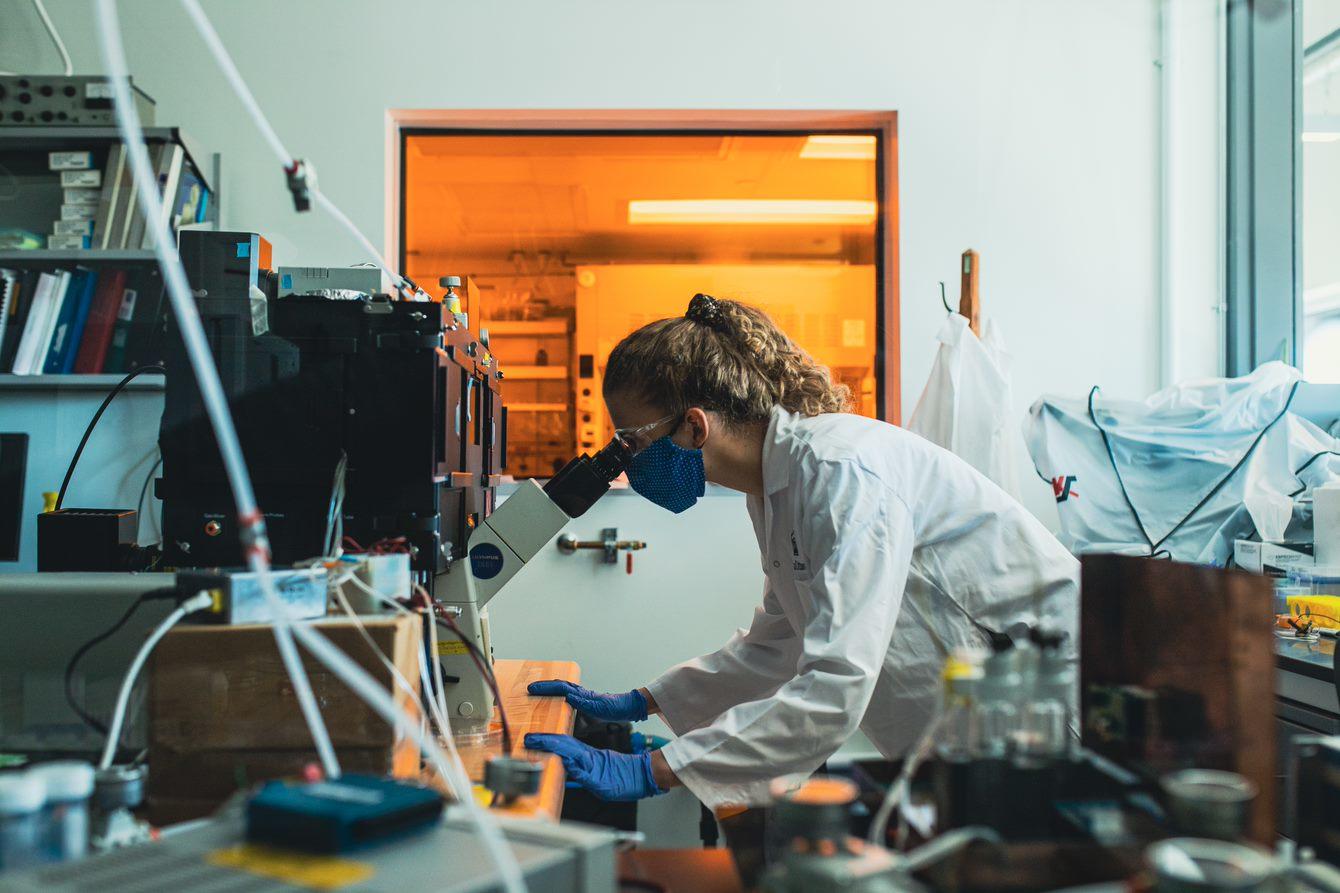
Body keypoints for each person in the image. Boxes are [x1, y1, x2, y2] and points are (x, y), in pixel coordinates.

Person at [524, 293, 1079, 809]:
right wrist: (645, 700)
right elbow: (780, 644)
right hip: (968, 731)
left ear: (695, 426)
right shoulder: (773, 488)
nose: (628, 462)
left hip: (1052, 712)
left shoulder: (840, 472)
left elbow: (836, 682)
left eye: (632, 443)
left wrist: (654, 769)